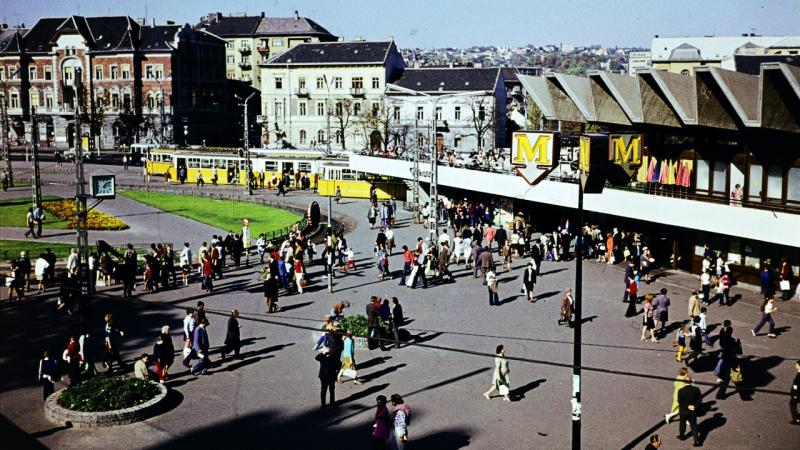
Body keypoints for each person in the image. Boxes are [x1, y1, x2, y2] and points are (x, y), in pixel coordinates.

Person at [677, 376, 702, 446]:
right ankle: (696, 440)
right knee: (694, 425)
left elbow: (680, 401)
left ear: (684, 382)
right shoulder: (696, 389)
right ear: (691, 381)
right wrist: (694, 406)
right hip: (693, 411)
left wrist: (687, 406)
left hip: (683, 411)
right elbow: (699, 400)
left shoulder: (681, 390)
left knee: (682, 424)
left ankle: (682, 436)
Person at [790, 360, 800, 425]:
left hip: (797, 394)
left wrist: (795, 394)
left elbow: (797, 386)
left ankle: (797, 419)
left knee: (792, 404)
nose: (795, 366)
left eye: (797, 364)